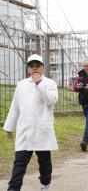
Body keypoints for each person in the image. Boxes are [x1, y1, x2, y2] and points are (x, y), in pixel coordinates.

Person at [3, 54, 58, 191]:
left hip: (42, 130)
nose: (34, 69)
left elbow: (52, 100)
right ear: (28, 69)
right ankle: (13, 188)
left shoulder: (49, 83)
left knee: (44, 161)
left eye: (37, 66)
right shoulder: (21, 84)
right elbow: (15, 106)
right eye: (31, 66)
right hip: (25, 130)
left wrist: (39, 83)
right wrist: (10, 126)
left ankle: (45, 184)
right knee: (20, 162)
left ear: (43, 68)